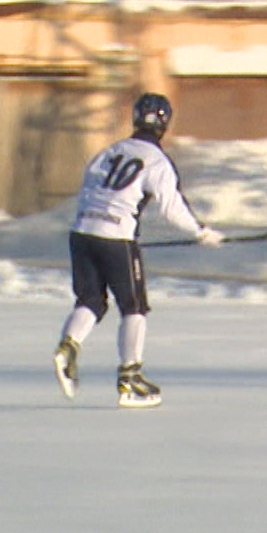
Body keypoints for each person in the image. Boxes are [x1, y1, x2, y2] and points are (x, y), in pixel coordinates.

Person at [54, 92, 224, 409]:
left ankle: (68, 345)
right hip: (117, 238)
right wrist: (200, 232)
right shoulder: (157, 161)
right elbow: (172, 208)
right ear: (164, 124)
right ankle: (130, 379)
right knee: (134, 307)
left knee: (91, 301)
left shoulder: (109, 152)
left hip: (82, 233)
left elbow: (89, 187)